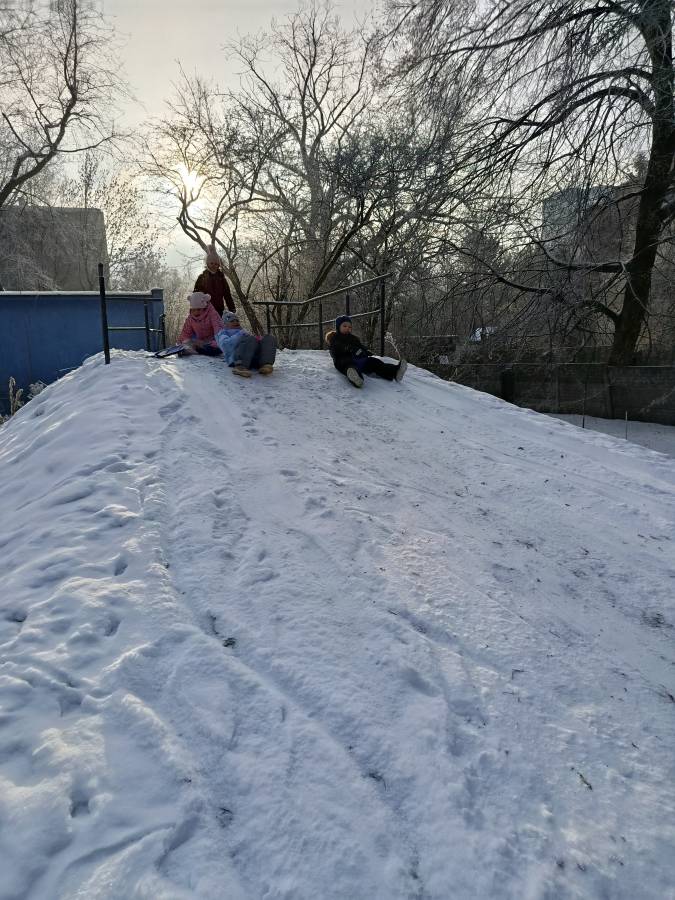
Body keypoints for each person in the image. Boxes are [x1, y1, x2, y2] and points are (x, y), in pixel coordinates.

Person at [326, 315, 407, 388]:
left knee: (374, 362)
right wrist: (348, 349)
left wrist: (366, 351)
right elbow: (334, 351)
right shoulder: (334, 339)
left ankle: (395, 371)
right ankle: (356, 378)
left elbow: (361, 347)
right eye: (344, 326)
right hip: (345, 361)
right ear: (338, 327)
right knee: (350, 367)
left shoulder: (353, 338)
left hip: (359, 360)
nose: (348, 328)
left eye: (350, 327)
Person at [215, 312, 277, 378]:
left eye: (237, 320)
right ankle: (240, 367)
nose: (235, 322)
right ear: (225, 324)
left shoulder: (243, 332)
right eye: (232, 321)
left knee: (269, 338)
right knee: (250, 339)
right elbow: (226, 345)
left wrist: (259, 341)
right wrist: (240, 335)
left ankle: (266, 364)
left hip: (252, 359)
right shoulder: (224, 333)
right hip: (237, 360)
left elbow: (251, 343)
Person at [193, 245, 236, 316]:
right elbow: (196, 295)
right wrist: (196, 311)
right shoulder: (202, 277)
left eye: (216, 264)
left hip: (219, 311)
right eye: (211, 263)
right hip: (205, 311)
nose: (214, 265)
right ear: (207, 263)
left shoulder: (221, 278)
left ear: (218, 265)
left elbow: (227, 294)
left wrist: (232, 309)